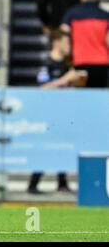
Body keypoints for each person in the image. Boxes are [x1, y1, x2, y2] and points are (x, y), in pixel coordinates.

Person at [28, 30, 86, 194]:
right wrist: (65, 79)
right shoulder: (47, 63)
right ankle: (33, 183)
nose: (68, 46)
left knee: (63, 146)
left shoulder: (67, 64)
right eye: (66, 42)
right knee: (45, 147)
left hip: (64, 113)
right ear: (56, 43)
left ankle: (62, 183)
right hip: (47, 114)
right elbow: (43, 88)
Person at [61, 0, 109, 88]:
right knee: (98, 96)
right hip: (102, 63)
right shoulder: (105, 16)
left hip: (80, 61)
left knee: (81, 97)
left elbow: (64, 36)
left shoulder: (71, 14)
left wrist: (65, 57)